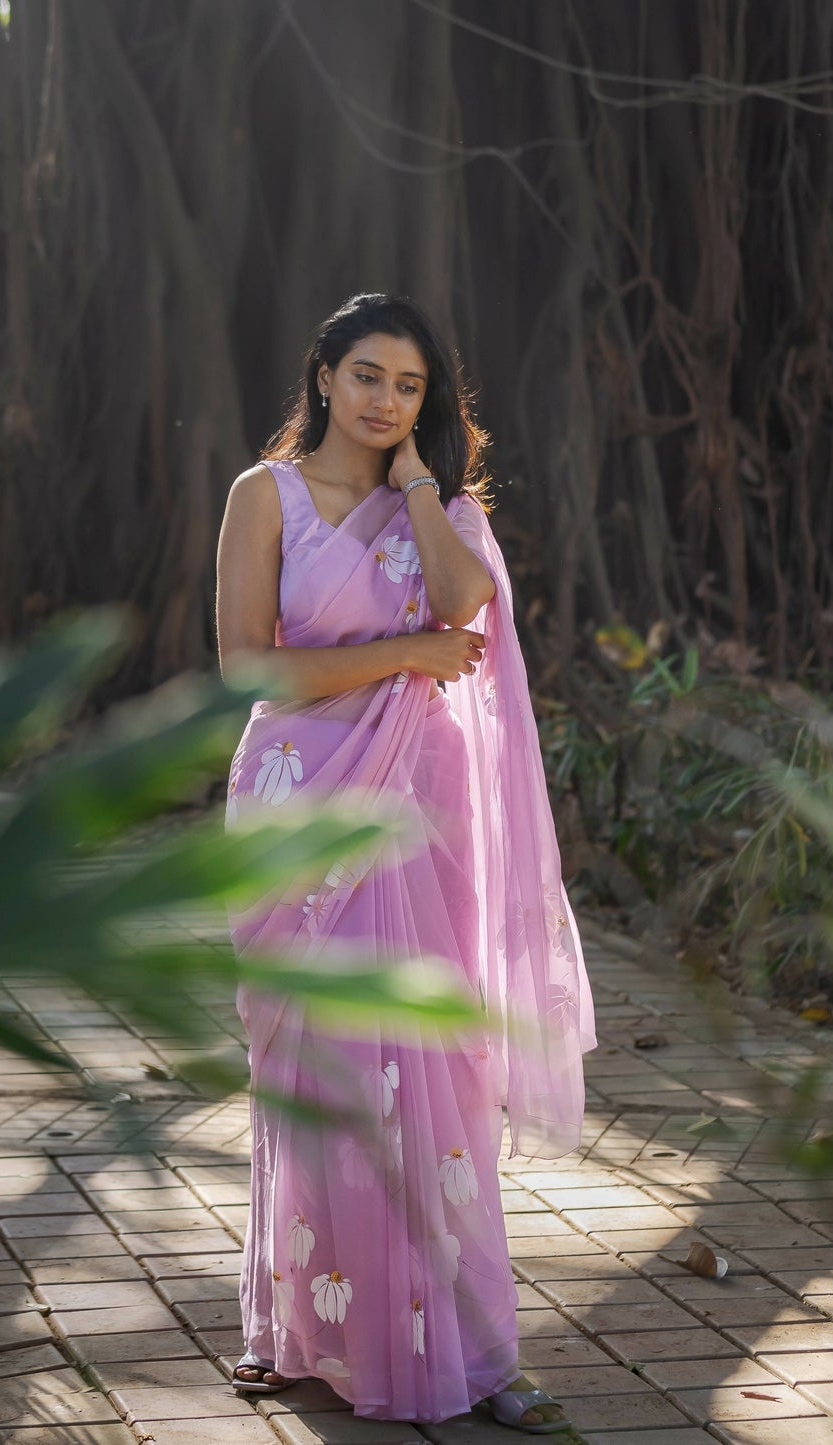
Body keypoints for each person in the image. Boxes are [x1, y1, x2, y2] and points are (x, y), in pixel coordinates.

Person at [215, 293, 595, 1432]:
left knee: (433, 1072)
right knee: (319, 1066)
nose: (384, 398)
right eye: (367, 375)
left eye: (410, 385)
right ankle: (301, 1331)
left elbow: (465, 606)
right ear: (323, 374)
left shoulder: (437, 506)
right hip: (293, 800)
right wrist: (402, 653)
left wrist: (422, 481)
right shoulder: (262, 495)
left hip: (414, 807)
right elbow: (247, 667)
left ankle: (471, 1345)